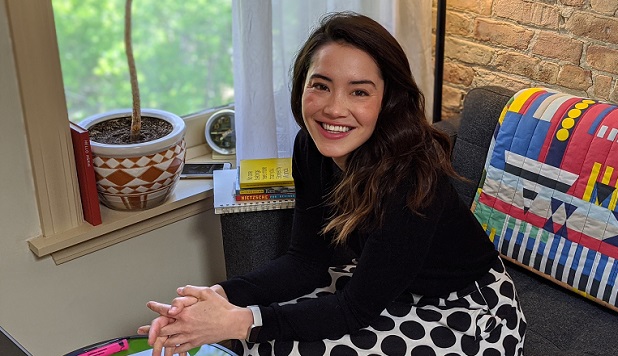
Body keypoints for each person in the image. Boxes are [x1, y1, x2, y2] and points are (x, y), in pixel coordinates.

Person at [138, 11, 526, 356]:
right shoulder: (310, 146)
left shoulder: (410, 178)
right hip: (384, 284)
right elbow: (306, 261)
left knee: (266, 335)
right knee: (263, 334)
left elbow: (353, 309)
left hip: (464, 307)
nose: (334, 109)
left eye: (359, 91)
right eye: (320, 85)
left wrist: (237, 321)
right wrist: (217, 299)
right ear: (301, 87)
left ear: (387, 100)